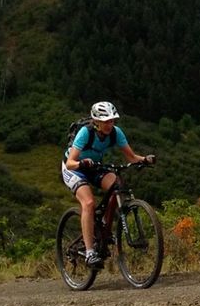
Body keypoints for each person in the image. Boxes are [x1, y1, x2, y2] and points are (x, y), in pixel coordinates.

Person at [62, 100, 155, 268]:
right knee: (89, 203)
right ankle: (90, 253)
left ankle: (104, 229)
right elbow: (70, 163)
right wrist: (82, 164)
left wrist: (145, 159)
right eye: (105, 121)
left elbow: (131, 157)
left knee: (117, 185)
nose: (109, 125)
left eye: (112, 121)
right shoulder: (85, 133)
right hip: (75, 168)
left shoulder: (116, 133)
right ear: (96, 122)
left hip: (95, 166)